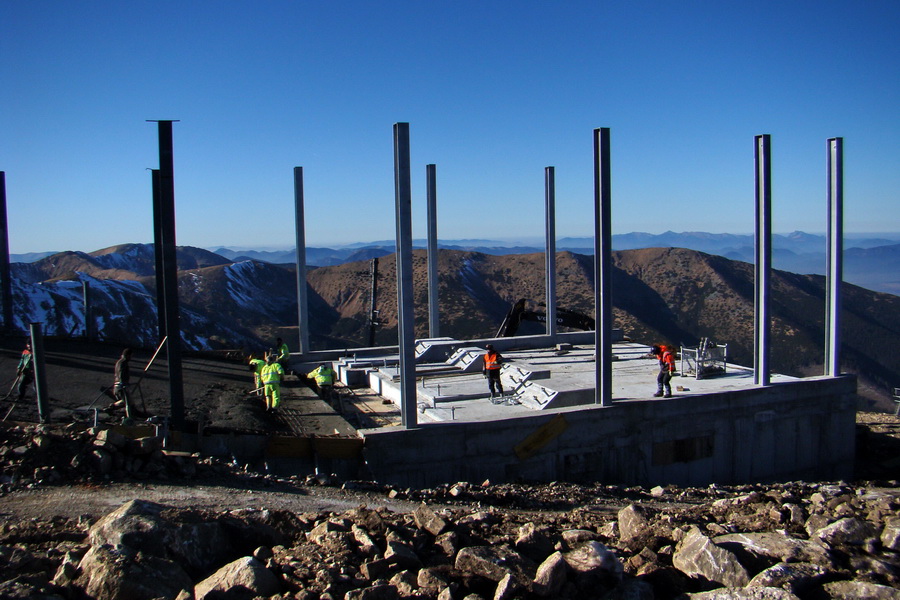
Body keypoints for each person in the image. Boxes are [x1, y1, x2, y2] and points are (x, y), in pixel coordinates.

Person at [112, 348, 135, 418]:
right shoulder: (123, 363)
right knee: (128, 402)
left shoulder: (119, 362)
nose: (131, 358)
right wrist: (124, 384)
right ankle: (129, 418)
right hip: (121, 386)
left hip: (117, 386)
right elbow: (121, 374)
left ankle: (112, 407)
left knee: (125, 401)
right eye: (131, 356)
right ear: (128, 355)